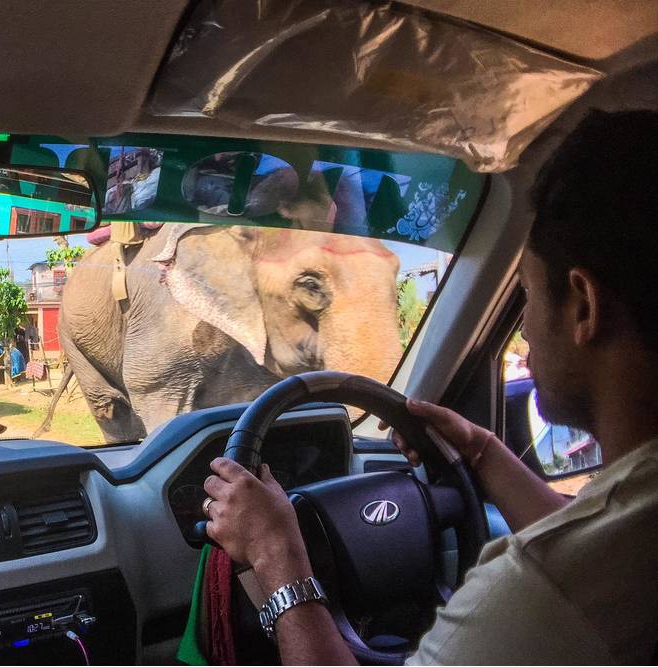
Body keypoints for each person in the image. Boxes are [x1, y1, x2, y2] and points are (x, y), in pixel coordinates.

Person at [200, 110, 658, 665]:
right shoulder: (622, 541)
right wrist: (483, 451)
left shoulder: (547, 592)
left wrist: (277, 557)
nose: (526, 331)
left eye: (529, 298)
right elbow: (598, 546)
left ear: (583, 306)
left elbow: (577, 569)